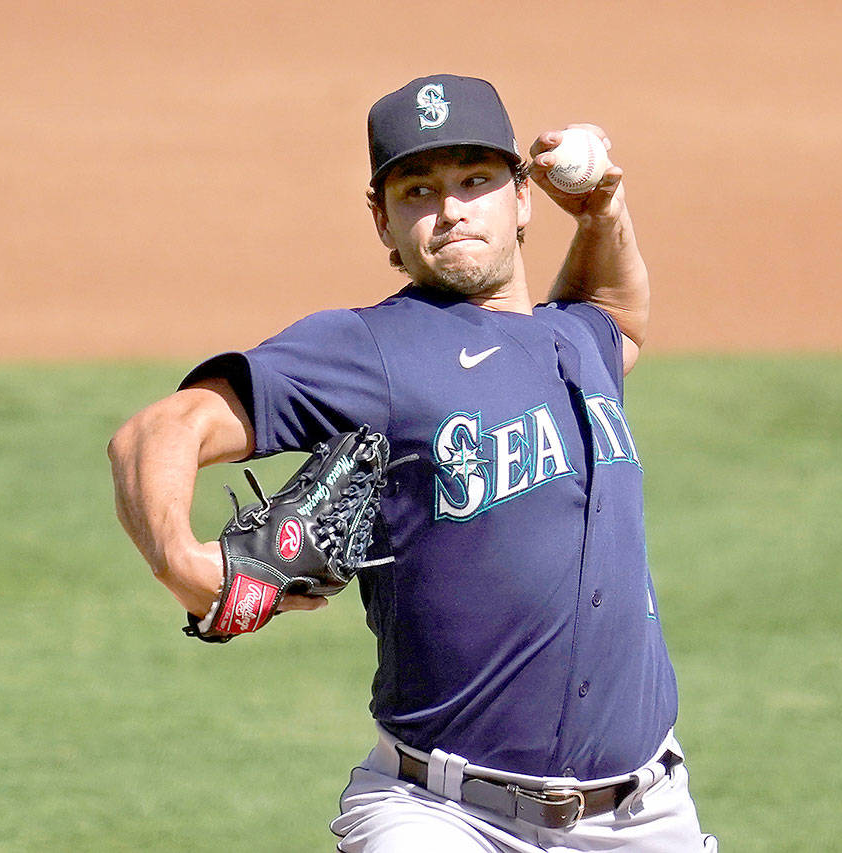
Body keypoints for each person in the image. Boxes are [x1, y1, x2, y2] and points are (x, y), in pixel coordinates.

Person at [109, 74, 716, 851]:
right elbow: (159, 429)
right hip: (442, 816)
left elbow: (622, 312)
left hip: (644, 817)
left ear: (522, 197)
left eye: (475, 180)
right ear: (382, 220)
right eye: (418, 190)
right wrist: (177, 559)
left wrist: (604, 209)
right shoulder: (369, 348)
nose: (451, 208)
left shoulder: (580, 339)